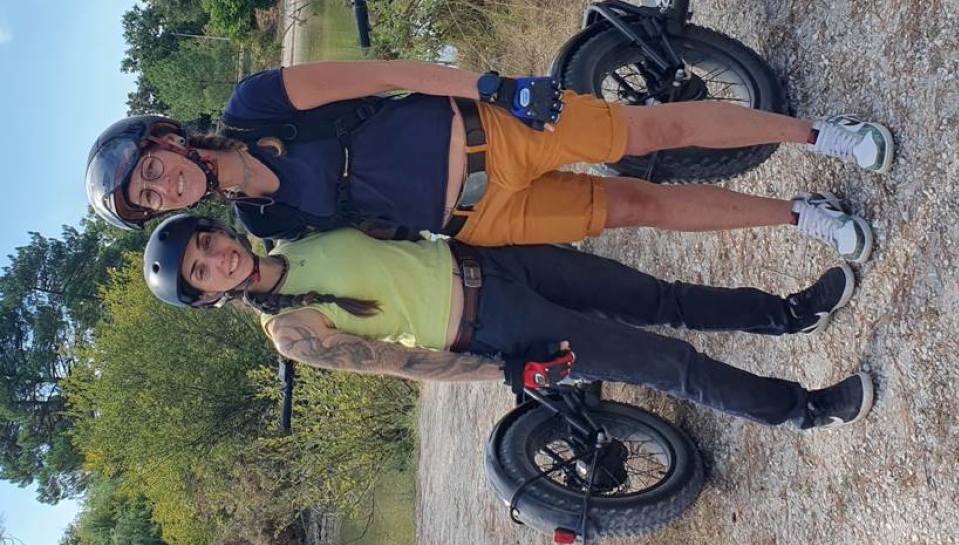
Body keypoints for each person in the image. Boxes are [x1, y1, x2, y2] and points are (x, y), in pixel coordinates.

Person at [87, 61, 894, 261]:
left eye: (149, 170)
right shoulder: (262, 224)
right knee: (640, 210)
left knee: (645, 136)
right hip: (482, 218)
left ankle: (819, 134)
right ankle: (803, 217)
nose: (161, 187)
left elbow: (385, 75)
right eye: (149, 199)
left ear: (163, 140)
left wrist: (495, 87)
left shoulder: (255, 104)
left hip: (489, 133)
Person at [141, 214, 875, 430]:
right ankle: (805, 409)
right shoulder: (291, 333)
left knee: (660, 296)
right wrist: (505, 373)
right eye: (200, 274)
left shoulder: (299, 240)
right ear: (207, 297)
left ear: (216, 231)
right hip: (496, 329)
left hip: (494, 261)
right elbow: (401, 364)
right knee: (666, 363)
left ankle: (788, 313)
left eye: (204, 244)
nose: (214, 259)